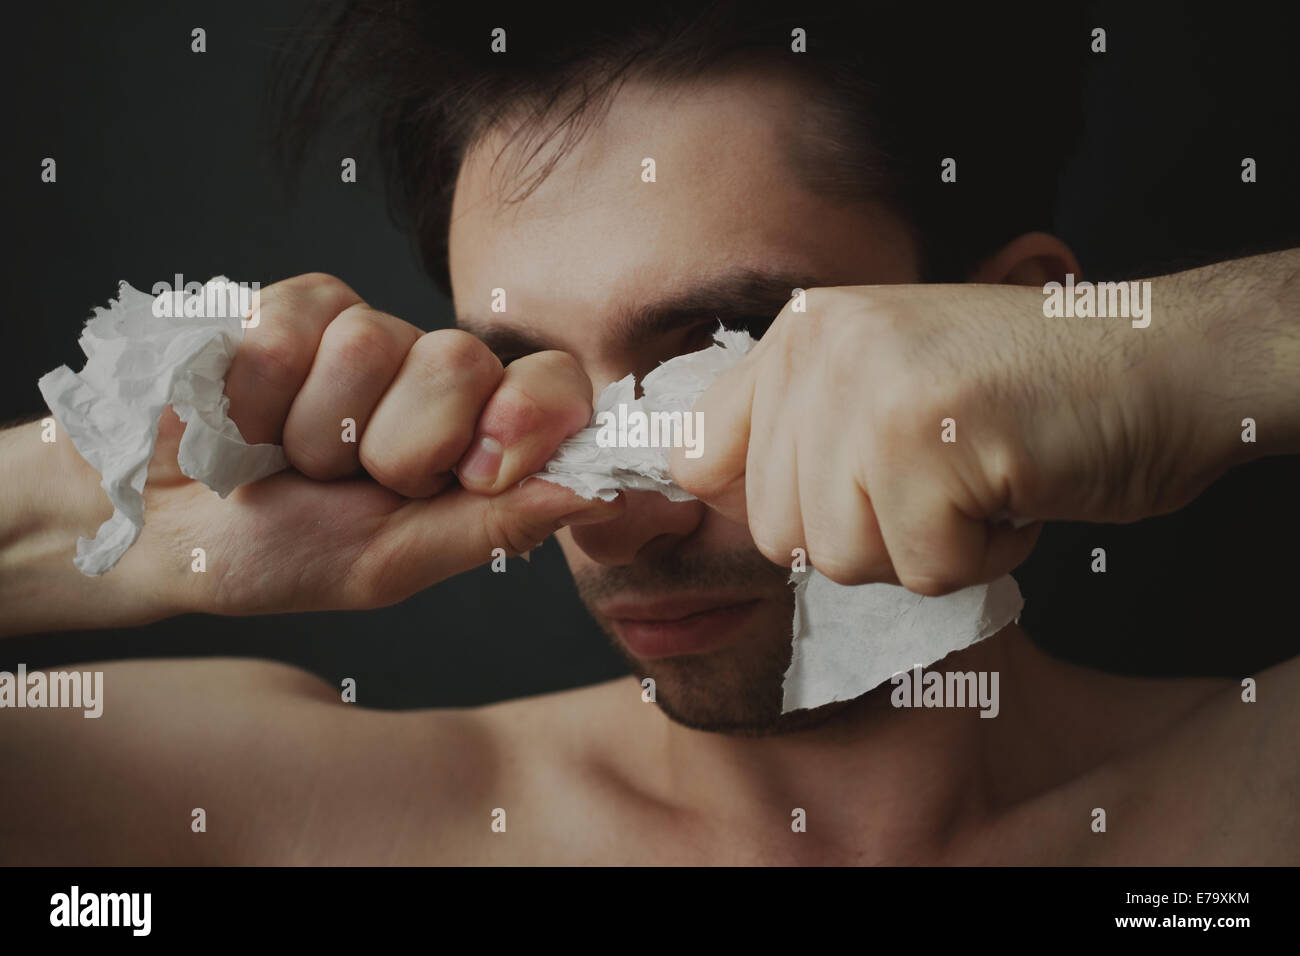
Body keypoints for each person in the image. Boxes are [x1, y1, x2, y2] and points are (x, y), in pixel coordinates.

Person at [1, 2, 1296, 865]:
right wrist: (102, 511)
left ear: (1017, 326)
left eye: (709, 365)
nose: (614, 516)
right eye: (532, 384)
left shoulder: (1252, 797)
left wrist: (1199, 345)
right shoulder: (333, 824)